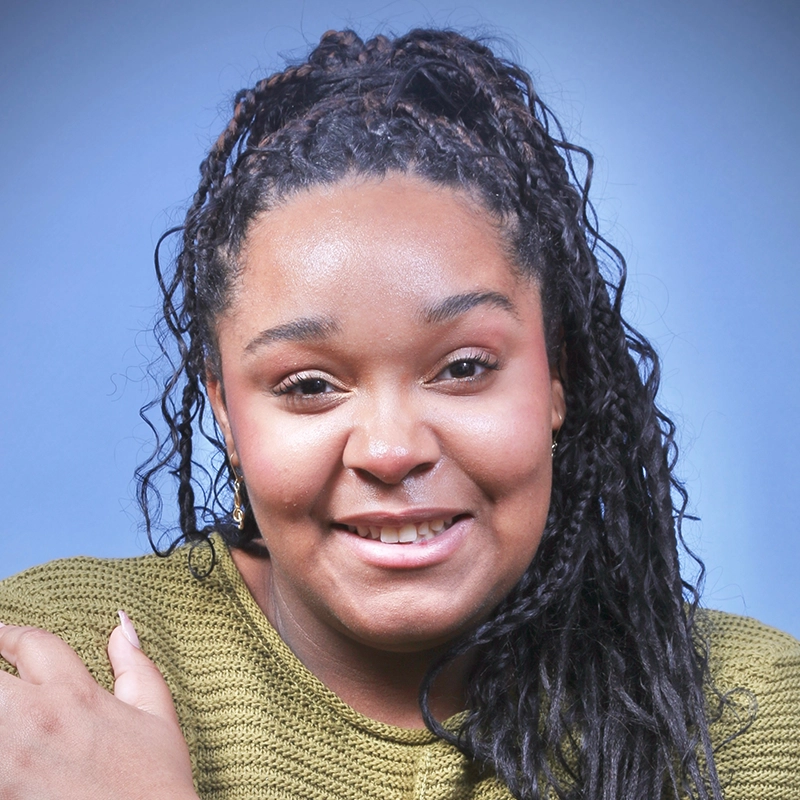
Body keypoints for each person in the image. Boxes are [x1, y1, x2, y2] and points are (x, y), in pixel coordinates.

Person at [0, 27, 797, 800]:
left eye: (462, 369)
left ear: (560, 376)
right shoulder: (51, 680)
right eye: (309, 384)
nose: (389, 450)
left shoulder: (746, 719)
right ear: (225, 411)